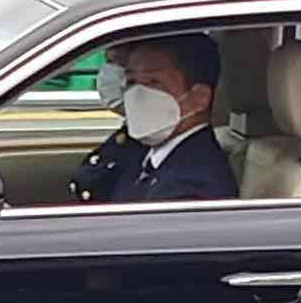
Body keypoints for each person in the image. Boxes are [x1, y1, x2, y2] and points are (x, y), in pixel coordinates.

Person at [112, 34, 239, 204]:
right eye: (131, 81)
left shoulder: (194, 188)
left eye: (153, 82)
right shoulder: (149, 155)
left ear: (199, 98)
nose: (137, 95)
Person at [69, 44, 145, 203]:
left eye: (120, 63)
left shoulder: (151, 141)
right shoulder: (133, 134)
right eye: (108, 61)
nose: (108, 74)